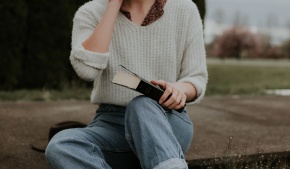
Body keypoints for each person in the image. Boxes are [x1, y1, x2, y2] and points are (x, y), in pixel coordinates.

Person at [45, 0, 207, 168]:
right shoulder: (90, 12)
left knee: (142, 105)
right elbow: (87, 70)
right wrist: (113, 6)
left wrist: (179, 90)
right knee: (60, 146)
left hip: (165, 118)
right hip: (112, 123)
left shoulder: (185, 9)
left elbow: (196, 78)